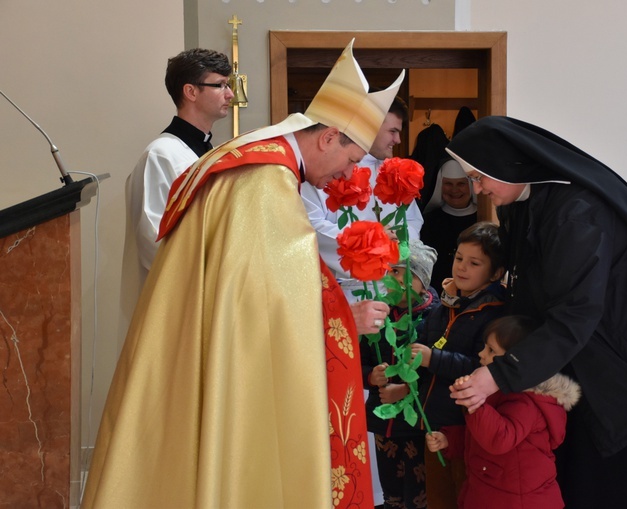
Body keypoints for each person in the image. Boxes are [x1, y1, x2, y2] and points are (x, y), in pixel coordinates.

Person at [82, 40, 404, 508]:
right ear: (328, 137)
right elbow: (262, 307)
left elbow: (262, 285)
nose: (344, 176)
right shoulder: (265, 183)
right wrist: (341, 321)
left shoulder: (259, 161)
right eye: (352, 161)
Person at [445, 116, 627, 509]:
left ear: (512, 166)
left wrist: (501, 374)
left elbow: (574, 313)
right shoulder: (523, 204)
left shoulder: (575, 212)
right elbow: (530, 291)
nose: (477, 188)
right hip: (623, 352)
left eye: (479, 177)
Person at [426, 315, 581, 509]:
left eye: (491, 350)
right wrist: (450, 440)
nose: (481, 354)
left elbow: (499, 438)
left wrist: (474, 402)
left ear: (515, 359)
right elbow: (477, 438)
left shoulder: (527, 402)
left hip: (518, 501)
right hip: (489, 493)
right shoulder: (498, 392)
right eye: (484, 346)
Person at [408, 221, 507, 509]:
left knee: (466, 494)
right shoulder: (446, 304)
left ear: (496, 272)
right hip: (433, 420)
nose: (461, 268)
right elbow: (426, 342)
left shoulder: (493, 315)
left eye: (474, 263)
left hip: (466, 426)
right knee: (438, 496)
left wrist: (432, 358)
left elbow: (480, 369)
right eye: (459, 258)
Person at [301, 95, 423, 299]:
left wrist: (397, 244)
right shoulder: (326, 167)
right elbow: (311, 227)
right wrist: (372, 241)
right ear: (371, 127)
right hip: (342, 290)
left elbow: (412, 220)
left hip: (391, 287)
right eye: (392, 131)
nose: (398, 140)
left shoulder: (395, 170)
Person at [127, 48, 233, 281]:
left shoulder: (209, 153)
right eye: (221, 85)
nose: (230, 94)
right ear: (191, 91)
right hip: (180, 294)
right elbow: (153, 239)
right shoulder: (162, 156)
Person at [362, 240, 440, 509]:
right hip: (384, 423)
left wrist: (407, 390)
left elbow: (440, 373)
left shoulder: (437, 317)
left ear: (421, 280)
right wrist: (371, 377)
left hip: (420, 423)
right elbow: (357, 363)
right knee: (391, 494)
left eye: (398, 271)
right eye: (388, 270)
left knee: (420, 493)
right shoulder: (376, 313)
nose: (390, 277)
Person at [419, 158, 478, 294]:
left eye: (461, 184)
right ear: (440, 185)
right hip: (437, 291)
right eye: (448, 184)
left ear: (470, 185)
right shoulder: (428, 221)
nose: (454, 190)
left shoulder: (482, 217)